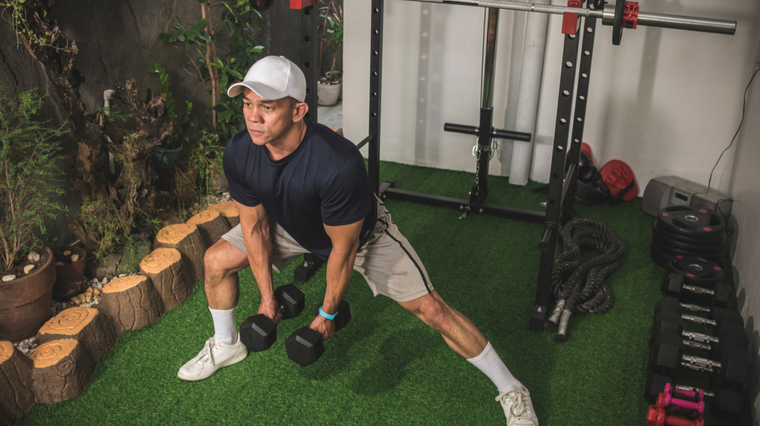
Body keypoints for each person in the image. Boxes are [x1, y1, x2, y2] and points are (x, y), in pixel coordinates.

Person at [177, 55, 539, 426]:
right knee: (215, 261)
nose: (253, 116)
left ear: (299, 110)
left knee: (432, 310)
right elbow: (254, 228)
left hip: (360, 237)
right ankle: (227, 343)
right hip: (287, 224)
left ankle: (512, 389)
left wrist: (326, 313)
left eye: (267, 107)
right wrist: (267, 300)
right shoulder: (240, 151)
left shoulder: (338, 164)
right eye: (248, 104)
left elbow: (343, 249)